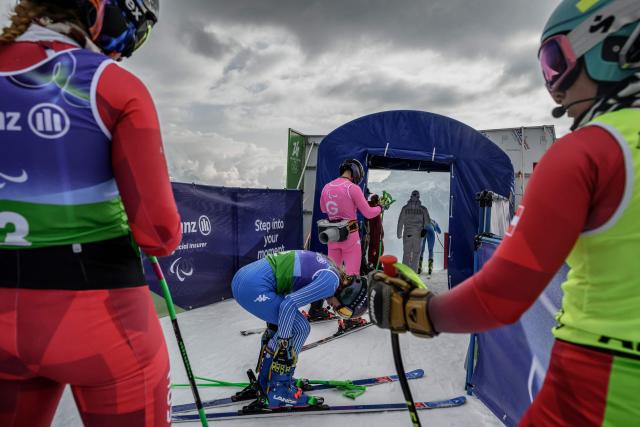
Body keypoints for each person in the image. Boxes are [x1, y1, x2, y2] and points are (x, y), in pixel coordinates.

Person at [369, 0, 640, 425]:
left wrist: (421, 311)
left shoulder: (588, 152)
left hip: (599, 384)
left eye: (556, 61)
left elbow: (504, 295)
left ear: (612, 47)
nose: (555, 89)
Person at [0, 1, 181, 426]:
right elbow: (158, 232)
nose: (126, 47)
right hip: (99, 319)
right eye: (135, 30)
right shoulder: (112, 84)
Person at [231, 250, 369, 409]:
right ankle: (279, 389)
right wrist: (283, 345)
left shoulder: (332, 271)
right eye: (343, 311)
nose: (335, 310)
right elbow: (288, 304)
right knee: (301, 328)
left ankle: (266, 383)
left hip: (245, 278)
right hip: (253, 286)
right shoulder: (330, 283)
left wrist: (281, 335)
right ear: (348, 295)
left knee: (284, 326)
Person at [308, 159, 383, 323]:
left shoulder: (327, 187)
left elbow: (323, 208)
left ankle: (316, 309)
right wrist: (380, 208)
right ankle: (349, 318)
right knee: (352, 277)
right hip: (351, 236)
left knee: (330, 274)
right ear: (356, 172)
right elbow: (369, 213)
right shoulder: (352, 188)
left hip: (332, 236)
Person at [396, 190, 430, 272]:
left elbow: (400, 222)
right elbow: (427, 222)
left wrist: (399, 234)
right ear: (419, 197)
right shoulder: (423, 209)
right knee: (416, 254)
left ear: (411, 196)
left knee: (406, 253)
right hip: (418, 235)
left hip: (407, 234)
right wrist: (424, 230)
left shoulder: (405, 208)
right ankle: (413, 273)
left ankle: (404, 273)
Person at [365, 194, 385, 271]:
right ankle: (377, 264)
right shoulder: (375, 208)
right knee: (380, 249)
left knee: (372, 248)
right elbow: (377, 223)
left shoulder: (370, 207)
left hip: (372, 233)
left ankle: (372, 263)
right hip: (376, 234)